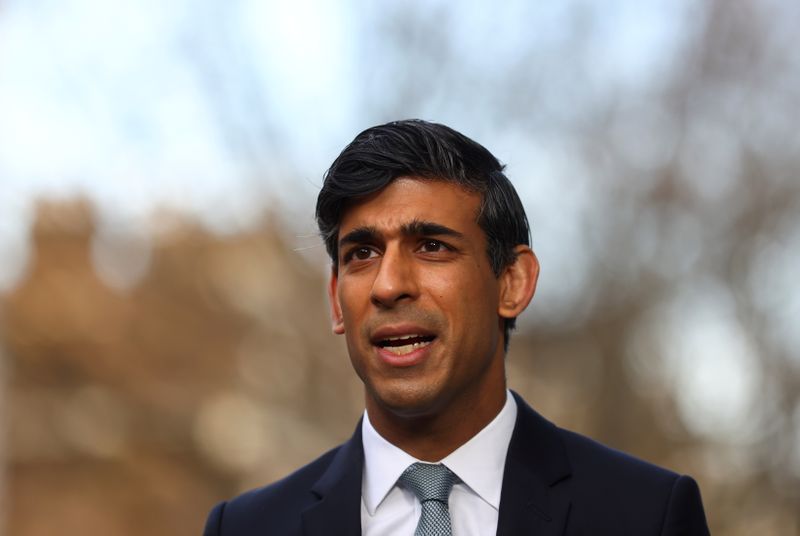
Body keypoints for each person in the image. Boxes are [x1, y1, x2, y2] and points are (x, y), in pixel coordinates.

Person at [203, 120, 710, 535]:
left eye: (431, 247)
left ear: (512, 283)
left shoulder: (647, 516)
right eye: (362, 253)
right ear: (336, 300)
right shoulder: (248, 528)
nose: (388, 285)